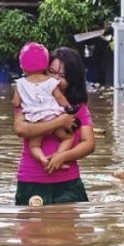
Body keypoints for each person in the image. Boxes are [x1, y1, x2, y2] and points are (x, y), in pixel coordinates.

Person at [12, 46, 95, 206]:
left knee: (70, 231)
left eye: (63, 75)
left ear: (73, 78)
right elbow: (20, 129)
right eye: (52, 72)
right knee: (31, 231)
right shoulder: (27, 100)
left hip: (68, 183)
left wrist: (62, 156)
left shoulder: (77, 107)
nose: (56, 80)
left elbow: (89, 144)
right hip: (31, 180)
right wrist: (59, 122)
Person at [12, 42, 78, 167]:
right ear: (46, 67)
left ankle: (43, 159)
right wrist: (69, 109)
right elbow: (59, 97)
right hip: (53, 115)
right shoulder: (51, 82)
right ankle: (58, 157)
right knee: (68, 138)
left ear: (22, 67)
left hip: (35, 119)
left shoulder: (20, 84)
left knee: (34, 145)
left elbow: (16, 102)